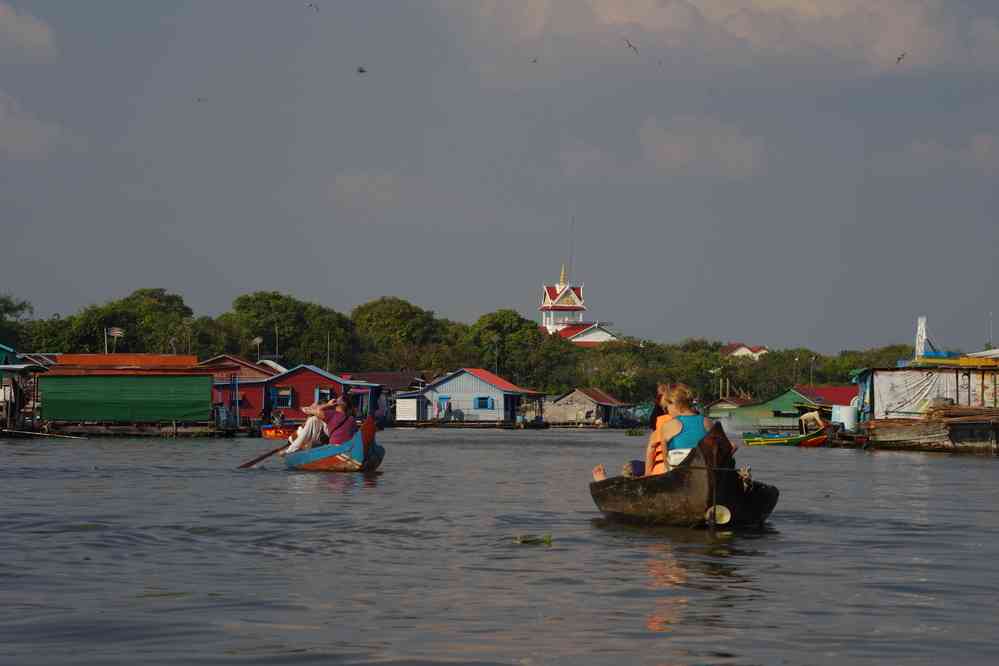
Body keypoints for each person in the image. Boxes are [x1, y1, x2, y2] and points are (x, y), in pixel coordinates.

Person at [657, 383, 729, 470]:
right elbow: (724, 450)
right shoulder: (707, 422)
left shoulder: (668, 426)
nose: (667, 411)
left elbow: (666, 462)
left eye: (666, 407)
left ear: (673, 403)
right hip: (705, 471)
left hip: (679, 473)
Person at [281, 394, 356, 456]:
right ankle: (298, 448)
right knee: (314, 420)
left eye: (336, 400)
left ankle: (291, 450)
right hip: (348, 448)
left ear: (337, 403)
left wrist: (328, 404)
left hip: (334, 448)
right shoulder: (352, 419)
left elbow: (307, 410)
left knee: (313, 419)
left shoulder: (332, 414)